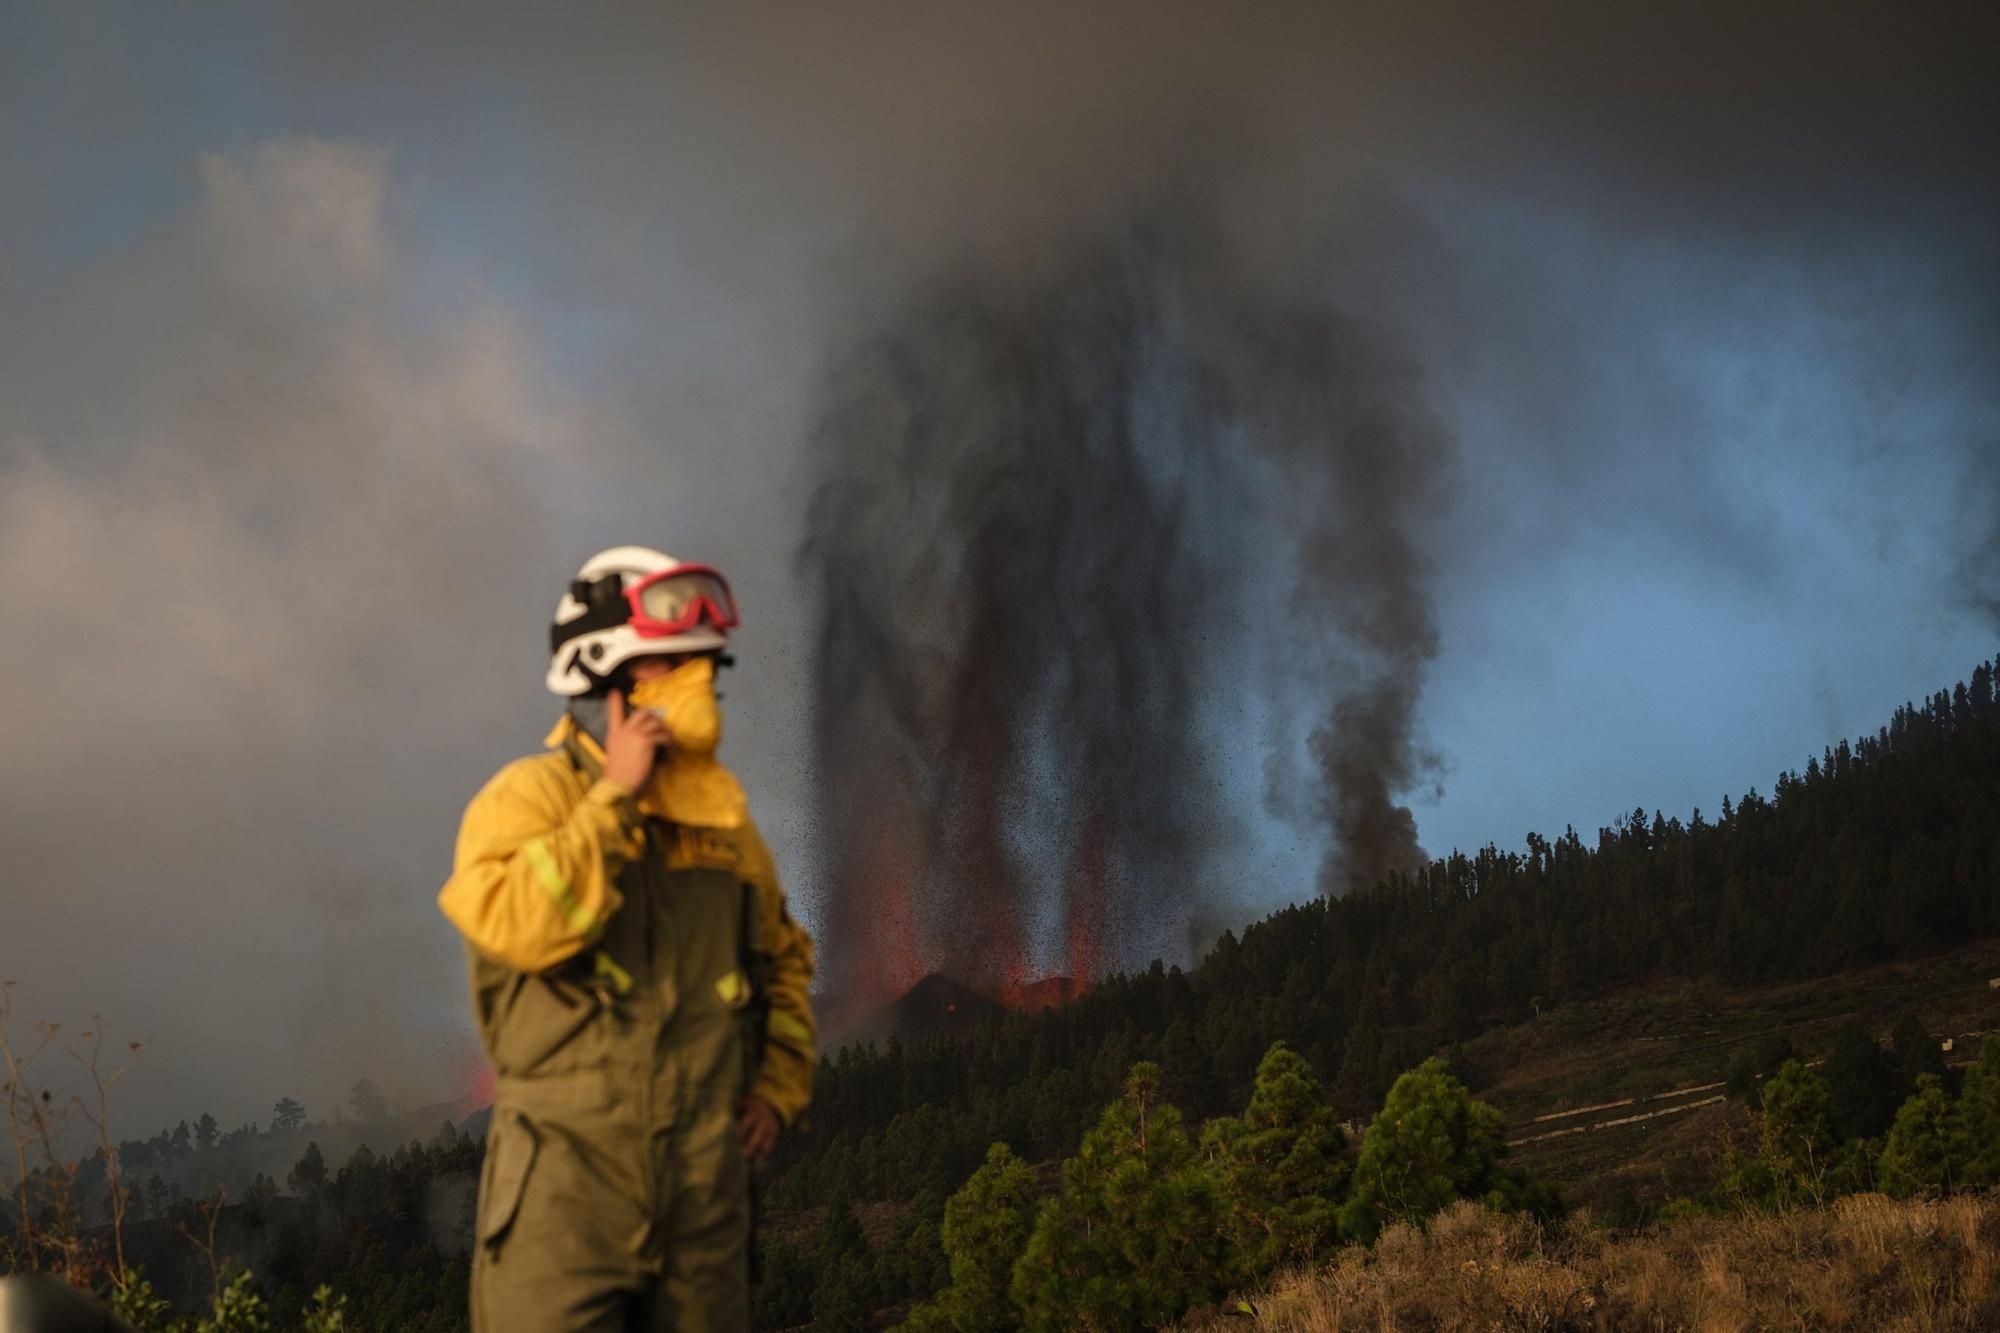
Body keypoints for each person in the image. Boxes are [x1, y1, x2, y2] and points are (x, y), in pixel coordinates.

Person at [438, 546, 816, 1332]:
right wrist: (616, 797)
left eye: (704, 671)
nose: (696, 692)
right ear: (605, 683)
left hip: (705, 1204)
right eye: (667, 670)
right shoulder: (527, 798)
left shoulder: (726, 832)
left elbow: (784, 964)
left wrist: (776, 1089)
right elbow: (523, 927)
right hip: (563, 1198)